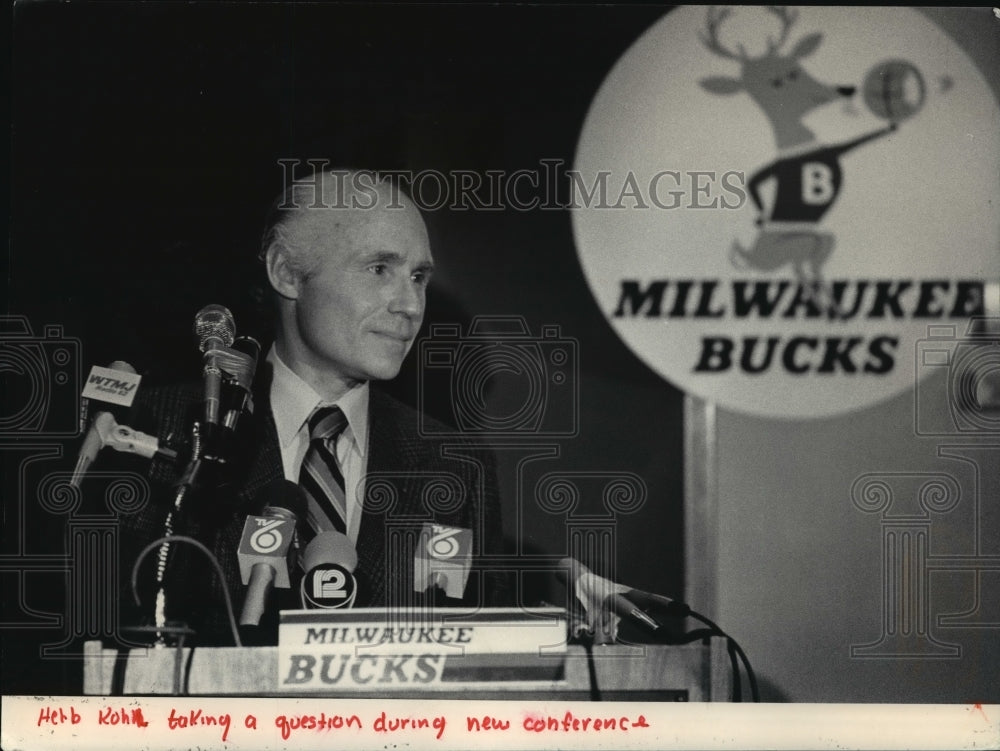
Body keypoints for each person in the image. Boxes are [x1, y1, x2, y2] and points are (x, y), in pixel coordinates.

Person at [107, 170, 510, 645]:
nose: (410, 305)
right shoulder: (161, 427)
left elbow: (483, 665)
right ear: (286, 272)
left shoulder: (456, 465)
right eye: (380, 269)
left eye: (418, 277)